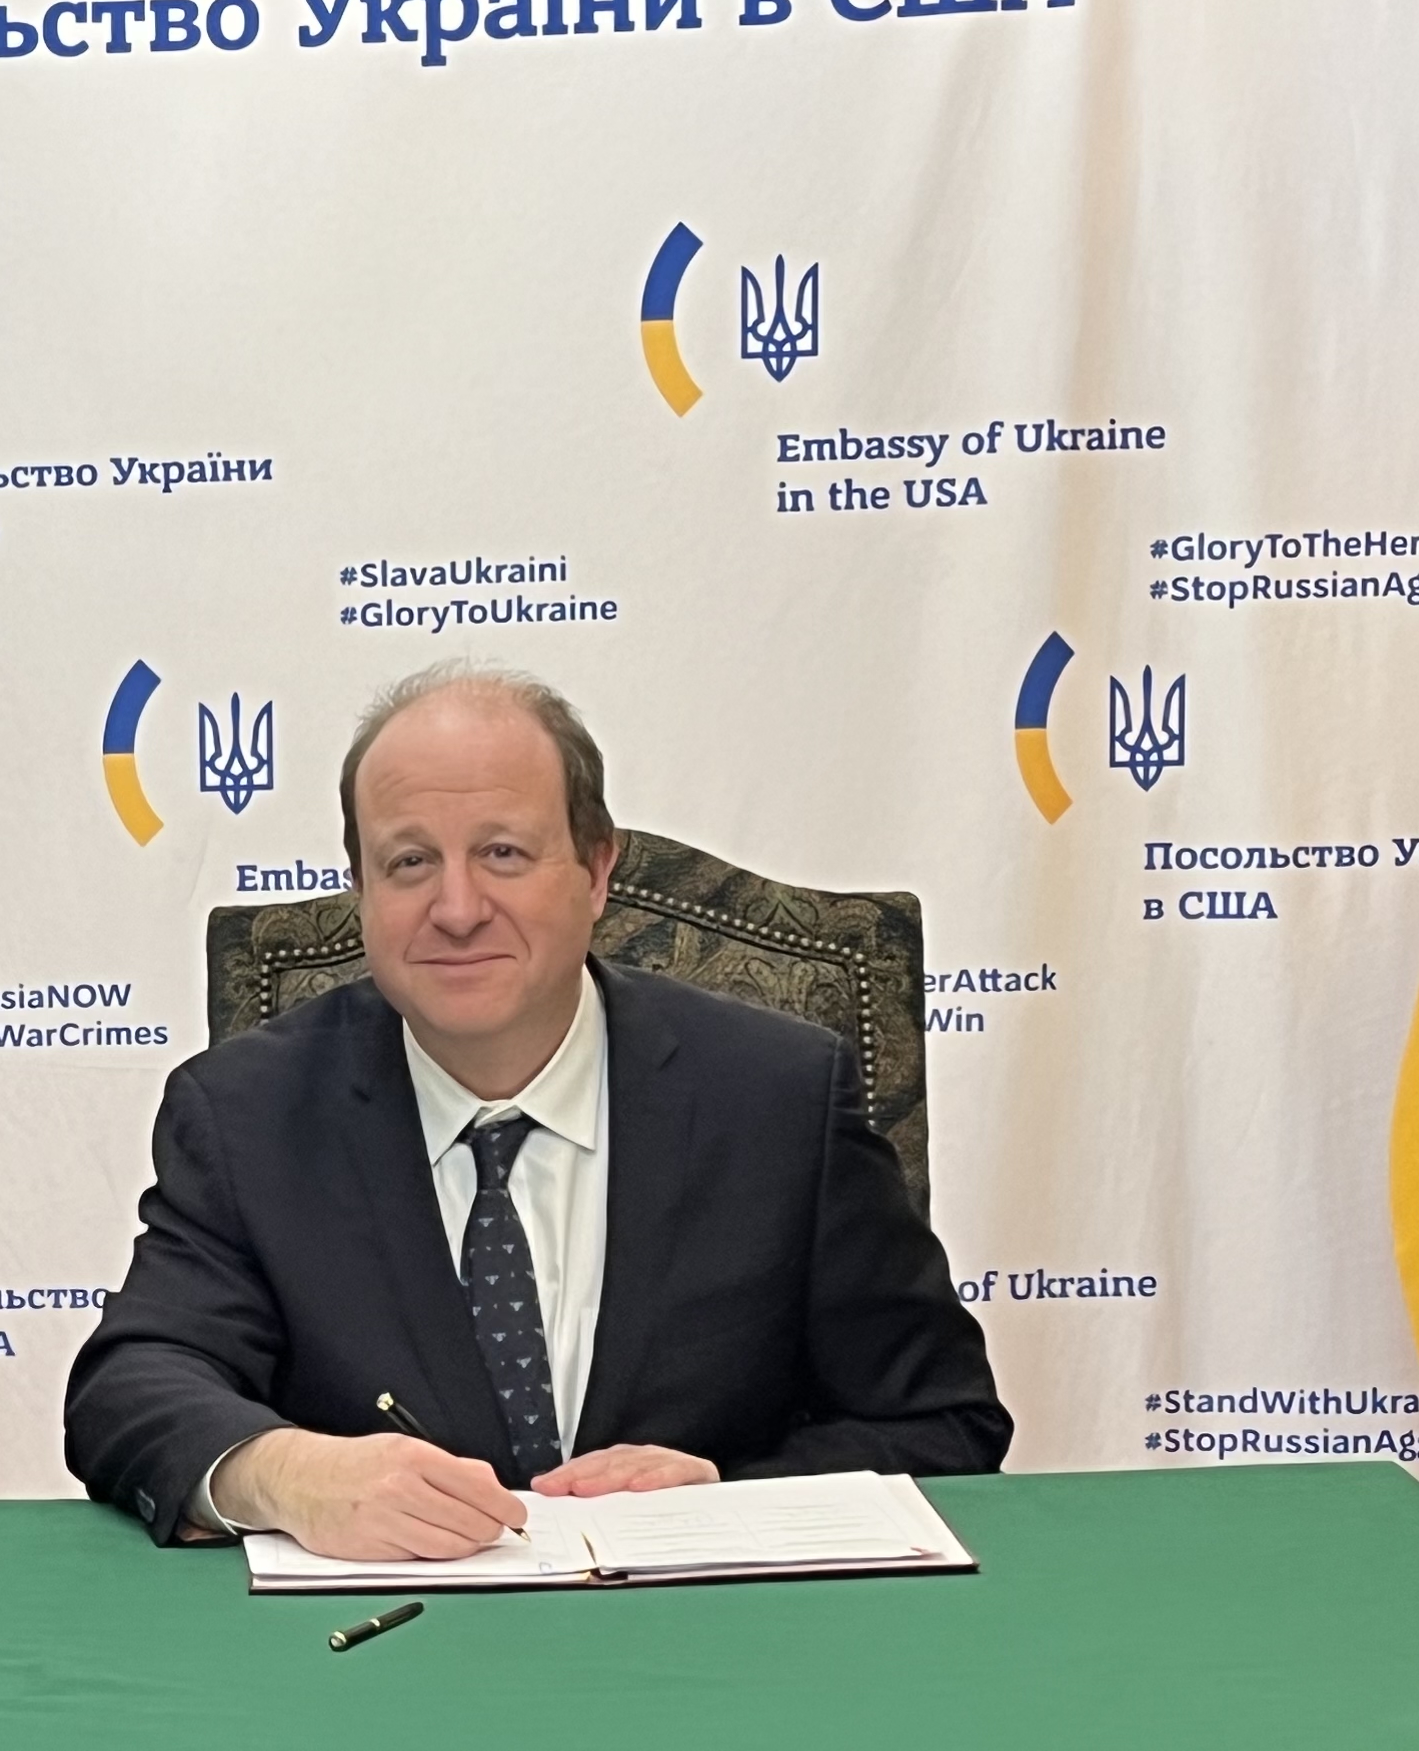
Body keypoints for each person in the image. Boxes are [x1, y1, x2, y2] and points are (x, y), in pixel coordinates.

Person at [65, 661, 1008, 1556]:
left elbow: (942, 1423)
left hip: (715, 1656)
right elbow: (130, 1386)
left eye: (503, 853)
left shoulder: (777, 1101)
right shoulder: (247, 1114)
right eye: (408, 863)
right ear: (361, 891)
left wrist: (729, 1496)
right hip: (379, 1667)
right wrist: (284, 1474)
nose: (459, 907)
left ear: (596, 871)